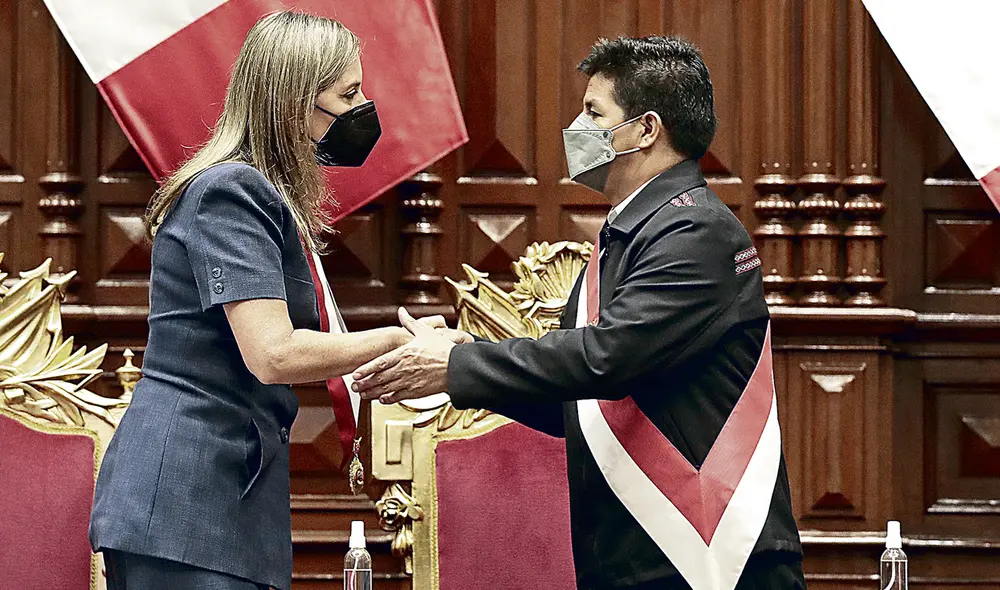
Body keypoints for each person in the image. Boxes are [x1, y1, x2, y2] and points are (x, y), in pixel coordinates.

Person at [353, 36, 805, 590]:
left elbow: (606, 358)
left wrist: (455, 363)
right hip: (635, 556)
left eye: (594, 112)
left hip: (706, 557)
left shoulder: (695, 231)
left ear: (645, 129)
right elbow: (581, 407)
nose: (575, 126)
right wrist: (459, 367)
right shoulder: (629, 234)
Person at [88, 11, 445, 590]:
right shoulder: (231, 189)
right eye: (348, 93)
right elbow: (272, 354)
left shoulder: (258, 189)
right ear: (296, 102)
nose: (362, 109)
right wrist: (403, 341)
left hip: (224, 488)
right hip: (188, 495)